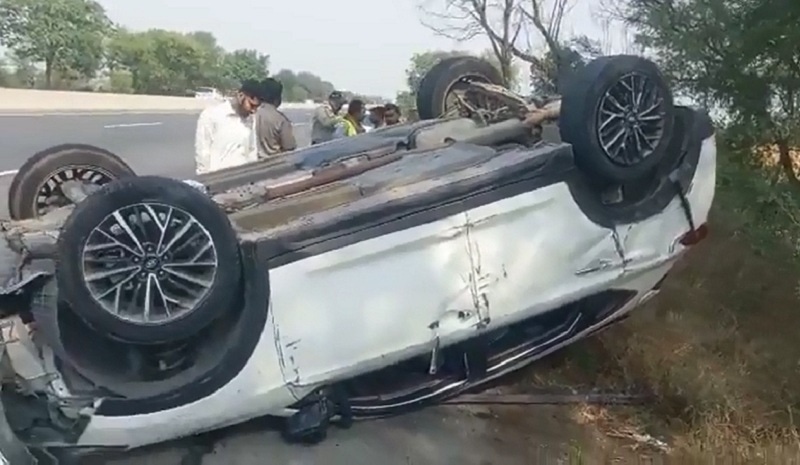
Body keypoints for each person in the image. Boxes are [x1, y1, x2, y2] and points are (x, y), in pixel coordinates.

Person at [194, 79, 262, 175]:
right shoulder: (211, 115)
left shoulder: (250, 119)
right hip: (219, 179)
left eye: (257, 107)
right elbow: (202, 152)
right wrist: (205, 179)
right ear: (240, 96)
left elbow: (252, 151)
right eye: (251, 105)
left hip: (242, 179)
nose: (254, 111)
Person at [255, 78, 296, 157]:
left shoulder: (251, 115)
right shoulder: (281, 120)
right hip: (273, 164)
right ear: (277, 98)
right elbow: (289, 147)